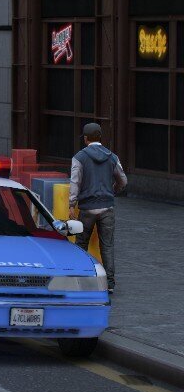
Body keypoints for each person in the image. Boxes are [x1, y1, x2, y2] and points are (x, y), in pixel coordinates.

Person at [69, 123, 127, 293]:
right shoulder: (112, 157)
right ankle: (109, 283)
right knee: (107, 246)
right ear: (100, 137)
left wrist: (72, 204)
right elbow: (123, 181)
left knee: (81, 244)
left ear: (86, 139)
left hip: (87, 208)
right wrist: (113, 191)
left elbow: (75, 182)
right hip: (107, 207)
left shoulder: (79, 157)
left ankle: (80, 279)